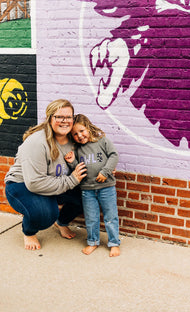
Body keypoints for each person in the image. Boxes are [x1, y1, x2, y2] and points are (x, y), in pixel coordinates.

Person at [4, 99, 87, 251]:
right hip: (21, 186)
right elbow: (34, 183)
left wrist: (104, 170)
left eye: (68, 117)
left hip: (54, 182)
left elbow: (92, 155)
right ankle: (28, 231)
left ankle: (61, 222)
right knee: (44, 214)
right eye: (59, 117)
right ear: (50, 119)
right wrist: (72, 180)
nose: (64, 121)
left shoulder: (73, 138)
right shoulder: (37, 142)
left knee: (89, 195)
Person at [64, 114, 120, 257]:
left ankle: (114, 243)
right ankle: (93, 241)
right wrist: (72, 162)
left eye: (82, 131)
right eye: (75, 134)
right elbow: (79, 169)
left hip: (106, 187)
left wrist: (106, 171)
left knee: (110, 216)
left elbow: (113, 155)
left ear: (88, 127)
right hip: (87, 190)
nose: (80, 136)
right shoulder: (77, 149)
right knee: (91, 217)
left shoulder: (102, 141)